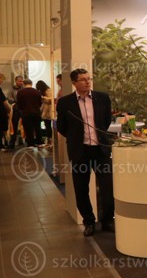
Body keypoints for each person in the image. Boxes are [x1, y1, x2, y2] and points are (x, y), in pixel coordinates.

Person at [56, 69, 115, 236]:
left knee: (107, 188)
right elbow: (61, 127)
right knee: (81, 190)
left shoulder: (102, 98)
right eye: (83, 79)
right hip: (80, 151)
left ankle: (107, 220)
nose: (88, 82)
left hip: (101, 150)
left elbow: (106, 122)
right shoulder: (65, 102)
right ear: (74, 83)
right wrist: (76, 138)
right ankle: (88, 221)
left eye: (89, 79)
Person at [16, 79, 43, 148]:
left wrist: (21, 110)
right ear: (31, 84)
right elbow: (40, 102)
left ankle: (30, 144)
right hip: (36, 113)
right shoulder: (37, 92)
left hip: (26, 113)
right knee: (38, 128)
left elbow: (19, 103)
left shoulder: (20, 92)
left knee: (28, 129)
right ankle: (39, 142)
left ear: (24, 84)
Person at [35, 79, 53, 147]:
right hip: (44, 110)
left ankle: (50, 141)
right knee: (46, 125)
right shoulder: (43, 91)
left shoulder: (48, 90)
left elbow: (50, 100)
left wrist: (42, 97)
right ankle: (48, 140)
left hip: (48, 110)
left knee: (48, 126)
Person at [9, 75, 24, 148]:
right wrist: (15, 101)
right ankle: (12, 143)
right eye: (19, 81)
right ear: (16, 81)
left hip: (23, 109)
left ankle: (27, 141)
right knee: (14, 126)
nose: (21, 82)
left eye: (22, 81)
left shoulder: (24, 88)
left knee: (25, 125)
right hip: (15, 109)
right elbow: (9, 98)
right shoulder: (12, 89)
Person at [0, 73, 10, 151]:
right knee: (2, 129)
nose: (3, 81)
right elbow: (4, 102)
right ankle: (1, 146)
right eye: (2, 79)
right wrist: (10, 109)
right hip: (1, 112)